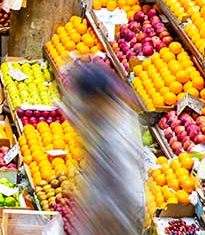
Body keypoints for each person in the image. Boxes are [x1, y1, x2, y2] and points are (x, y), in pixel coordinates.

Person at [63, 62, 146, 235]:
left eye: (87, 100)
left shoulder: (118, 137)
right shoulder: (103, 112)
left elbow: (128, 191)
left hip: (115, 218)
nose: (85, 105)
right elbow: (79, 109)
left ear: (99, 97)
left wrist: (104, 221)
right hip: (98, 209)